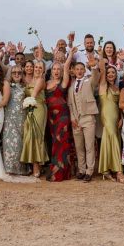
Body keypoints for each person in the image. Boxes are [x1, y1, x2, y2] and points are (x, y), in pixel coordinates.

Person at [67, 57, 100, 182]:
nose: (79, 71)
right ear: (74, 71)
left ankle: (89, 171)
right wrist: (72, 118)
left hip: (88, 117)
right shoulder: (71, 86)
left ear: (85, 70)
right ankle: (81, 170)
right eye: (77, 69)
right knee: (79, 146)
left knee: (89, 146)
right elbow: (70, 104)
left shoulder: (89, 81)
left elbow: (96, 77)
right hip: (76, 119)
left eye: (82, 69)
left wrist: (94, 67)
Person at [43, 51, 74, 181]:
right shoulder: (46, 83)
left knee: (62, 141)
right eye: (54, 69)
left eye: (58, 69)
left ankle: (61, 172)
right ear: (51, 71)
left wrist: (70, 54)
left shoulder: (63, 82)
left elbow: (66, 67)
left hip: (63, 116)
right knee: (54, 141)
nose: (56, 71)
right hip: (51, 117)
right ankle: (56, 167)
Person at [97, 60, 124, 183]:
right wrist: (101, 55)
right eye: (108, 72)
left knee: (113, 140)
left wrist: (121, 118)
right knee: (113, 139)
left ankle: (106, 170)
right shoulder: (103, 86)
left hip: (116, 116)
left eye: (113, 72)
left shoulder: (117, 87)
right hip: (107, 116)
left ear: (116, 74)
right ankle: (119, 171)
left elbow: (119, 105)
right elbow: (102, 70)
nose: (110, 74)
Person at [20, 60, 48, 178]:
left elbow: (33, 96)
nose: (37, 69)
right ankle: (35, 165)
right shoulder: (30, 80)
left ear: (43, 70)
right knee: (30, 135)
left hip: (38, 108)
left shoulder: (40, 80)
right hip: (30, 109)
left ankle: (36, 166)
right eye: (36, 67)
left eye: (40, 68)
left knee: (36, 136)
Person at [1, 65, 28, 176]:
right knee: (9, 141)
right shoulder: (7, 85)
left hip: (21, 117)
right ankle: (9, 167)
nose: (16, 74)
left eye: (19, 72)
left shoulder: (25, 86)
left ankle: (20, 168)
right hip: (9, 117)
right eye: (14, 72)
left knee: (20, 142)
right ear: (10, 74)